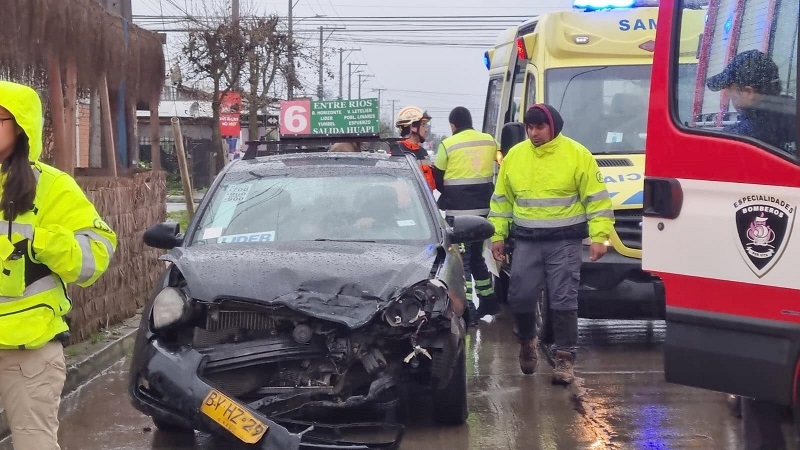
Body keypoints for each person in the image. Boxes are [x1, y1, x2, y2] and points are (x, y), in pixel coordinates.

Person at [0, 81, 116, 448]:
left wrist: (41, 241)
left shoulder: (52, 187)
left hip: (29, 353)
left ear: (20, 127)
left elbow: (96, 253)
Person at [706, 50, 797, 450]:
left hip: (763, 255)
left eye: (731, 91)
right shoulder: (789, 117)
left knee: (755, 356)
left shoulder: (751, 133)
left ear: (751, 91)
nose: (727, 100)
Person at [488, 104, 613, 384]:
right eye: (529, 128)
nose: (533, 133)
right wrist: (497, 235)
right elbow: (501, 200)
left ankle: (565, 358)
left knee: (563, 299)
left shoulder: (577, 155)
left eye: (539, 128)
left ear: (552, 127)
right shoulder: (515, 157)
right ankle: (527, 341)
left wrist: (599, 236)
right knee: (520, 295)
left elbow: (597, 200)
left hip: (565, 241)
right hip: (528, 241)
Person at [433, 106, 500, 325]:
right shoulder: (489, 141)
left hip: (458, 214)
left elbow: (438, 177)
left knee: (463, 263)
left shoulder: (447, 144)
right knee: (477, 256)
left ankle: (468, 309)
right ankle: (489, 300)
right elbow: (500, 163)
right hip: (483, 212)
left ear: (453, 125)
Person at [706, 49, 796, 154]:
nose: (729, 96)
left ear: (748, 92)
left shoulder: (737, 138)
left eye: (730, 90)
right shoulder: (792, 117)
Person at [394, 106, 437, 190]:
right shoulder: (397, 152)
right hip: (409, 202)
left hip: (424, 202)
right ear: (413, 127)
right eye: (423, 125)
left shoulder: (423, 152)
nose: (426, 130)